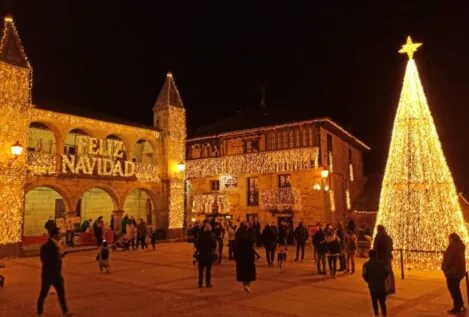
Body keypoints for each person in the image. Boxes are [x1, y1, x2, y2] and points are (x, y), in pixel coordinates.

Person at [37, 228, 71, 317]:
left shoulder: (58, 245)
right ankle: (39, 312)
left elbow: (56, 257)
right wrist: (58, 258)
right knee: (43, 293)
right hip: (48, 274)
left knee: (61, 293)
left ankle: (65, 311)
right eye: (59, 233)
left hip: (56, 273)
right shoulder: (46, 246)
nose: (61, 235)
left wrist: (60, 256)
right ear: (55, 235)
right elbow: (45, 259)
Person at [442, 233, 467, 314]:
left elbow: (448, 259)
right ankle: (460, 305)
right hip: (459, 271)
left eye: (449, 238)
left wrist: (445, 269)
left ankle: (457, 307)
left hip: (453, 272)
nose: (448, 240)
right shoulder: (460, 246)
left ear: (452, 239)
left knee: (453, 289)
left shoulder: (453, 247)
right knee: (456, 289)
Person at [362, 249, 389, 317]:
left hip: (372, 286)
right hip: (381, 285)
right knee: (382, 302)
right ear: (376, 255)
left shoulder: (366, 265)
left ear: (369, 255)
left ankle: (376, 314)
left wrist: (369, 281)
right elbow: (387, 272)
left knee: (374, 301)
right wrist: (383, 278)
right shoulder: (382, 263)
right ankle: (384, 314)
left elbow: (364, 275)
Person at [234, 223, 257, 293]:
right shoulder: (249, 234)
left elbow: (236, 246)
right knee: (249, 272)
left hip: (241, 256)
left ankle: (245, 285)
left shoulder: (238, 233)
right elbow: (252, 243)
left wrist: (236, 256)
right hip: (248, 256)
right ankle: (247, 286)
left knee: (243, 272)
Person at [373, 225, 395, 294]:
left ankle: (385, 288)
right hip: (387, 257)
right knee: (389, 272)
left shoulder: (379, 237)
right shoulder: (388, 237)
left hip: (381, 258)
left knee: (384, 273)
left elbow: (375, 248)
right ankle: (391, 288)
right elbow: (391, 248)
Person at [196, 223, 216, 288]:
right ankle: (208, 283)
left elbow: (197, 245)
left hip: (201, 255)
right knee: (208, 271)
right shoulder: (211, 236)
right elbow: (214, 245)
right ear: (210, 229)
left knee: (201, 271)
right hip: (208, 255)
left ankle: (200, 283)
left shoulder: (201, 236)